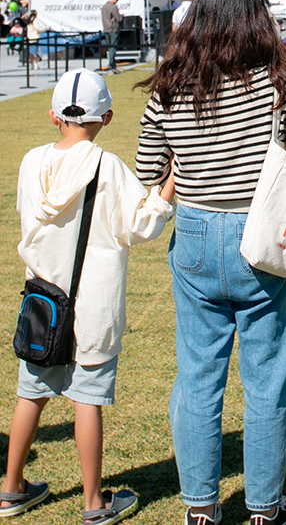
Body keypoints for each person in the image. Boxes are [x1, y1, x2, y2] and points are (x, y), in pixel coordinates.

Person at [135, 0, 286, 525]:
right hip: (258, 235)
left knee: (197, 376)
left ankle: (201, 508)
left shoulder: (171, 81)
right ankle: (265, 508)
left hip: (194, 233)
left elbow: (151, 168)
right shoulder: (278, 81)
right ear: (255, 15)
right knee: (267, 377)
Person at [1, 70, 174, 522]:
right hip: (92, 306)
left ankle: (11, 487)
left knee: (30, 393)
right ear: (107, 117)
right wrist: (169, 184)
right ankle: (94, 502)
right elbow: (141, 226)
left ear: (53, 114)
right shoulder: (108, 166)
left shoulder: (30, 162)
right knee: (88, 400)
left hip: (42, 305)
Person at [100, 0, 122, 73]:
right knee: (113, 47)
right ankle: (111, 64)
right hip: (113, 29)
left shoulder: (104, 7)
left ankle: (111, 62)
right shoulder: (113, 7)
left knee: (110, 47)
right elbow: (118, 18)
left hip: (106, 29)